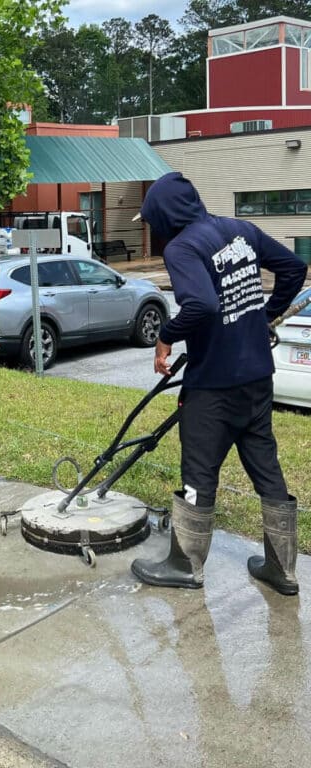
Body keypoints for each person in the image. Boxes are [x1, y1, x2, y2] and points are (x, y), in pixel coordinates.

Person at [130, 172, 307, 596]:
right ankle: (282, 569)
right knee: (266, 467)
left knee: (199, 470)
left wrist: (166, 336)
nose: (152, 229)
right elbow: (294, 268)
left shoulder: (182, 247)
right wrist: (265, 314)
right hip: (258, 379)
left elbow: (203, 305)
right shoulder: (240, 230)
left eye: (152, 220)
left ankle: (184, 564)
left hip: (214, 386)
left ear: (165, 216)